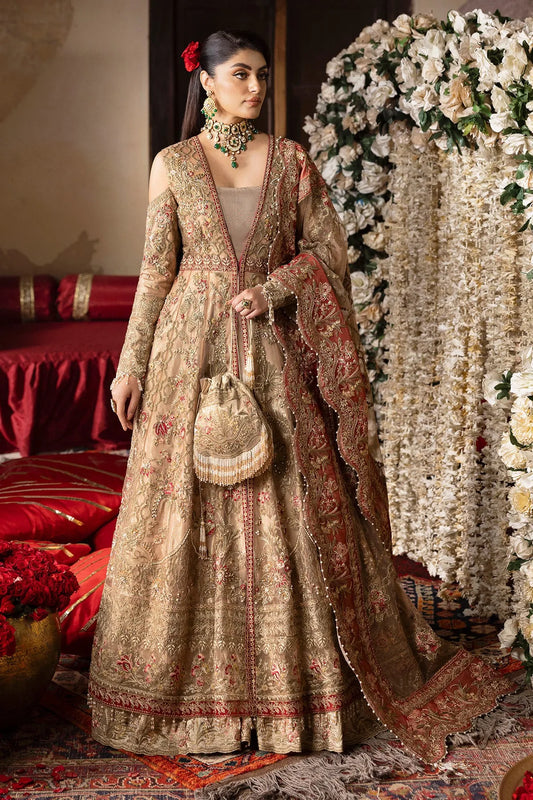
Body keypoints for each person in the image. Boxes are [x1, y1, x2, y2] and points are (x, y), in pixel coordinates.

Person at [88, 29, 510, 760]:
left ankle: (298, 697)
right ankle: (181, 697)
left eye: (261, 76)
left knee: (289, 499)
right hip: (189, 349)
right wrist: (131, 367)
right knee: (182, 513)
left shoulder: (290, 161)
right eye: (240, 75)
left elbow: (327, 254)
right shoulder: (175, 165)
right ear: (207, 83)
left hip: (273, 344)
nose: (255, 88)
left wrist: (277, 288)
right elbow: (156, 271)